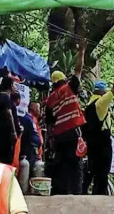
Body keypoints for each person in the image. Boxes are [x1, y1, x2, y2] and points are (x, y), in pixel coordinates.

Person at [45, 39, 87, 195]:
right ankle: (75, 193)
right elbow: (78, 70)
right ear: (63, 79)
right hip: (73, 132)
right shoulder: (70, 88)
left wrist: (51, 140)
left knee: (61, 163)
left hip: (59, 136)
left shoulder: (49, 100)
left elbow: (49, 124)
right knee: (75, 163)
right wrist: (81, 52)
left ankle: (60, 193)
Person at [82, 62, 114, 195]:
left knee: (92, 168)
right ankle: (100, 195)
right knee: (102, 171)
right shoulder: (101, 103)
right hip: (102, 142)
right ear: (102, 91)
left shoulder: (90, 103)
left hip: (91, 142)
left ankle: (84, 192)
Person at [0, 77, 20, 165]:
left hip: (0, 132)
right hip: (6, 133)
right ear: (10, 86)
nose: (14, 87)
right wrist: (14, 131)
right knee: (6, 158)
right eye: (13, 85)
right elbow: (9, 114)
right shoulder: (5, 98)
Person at [19, 103, 42, 168]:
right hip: (28, 151)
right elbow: (24, 136)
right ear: (33, 108)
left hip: (33, 151)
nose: (39, 110)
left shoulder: (32, 120)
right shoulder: (26, 119)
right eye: (38, 108)